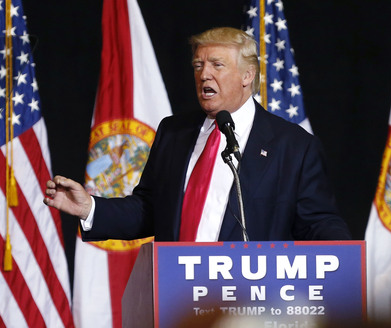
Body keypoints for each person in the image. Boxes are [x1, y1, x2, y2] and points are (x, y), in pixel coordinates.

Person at [44, 27, 351, 242]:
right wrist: (90, 208)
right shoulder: (173, 133)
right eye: (198, 65)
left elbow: (318, 223)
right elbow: (149, 210)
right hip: (177, 302)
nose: (204, 74)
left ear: (247, 76)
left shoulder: (293, 146)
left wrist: (345, 266)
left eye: (217, 65)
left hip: (250, 305)